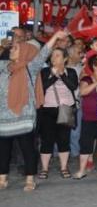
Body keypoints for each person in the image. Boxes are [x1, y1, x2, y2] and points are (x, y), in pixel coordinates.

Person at [0, 30, 66, 191]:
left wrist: (55, 37)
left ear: (23, 51)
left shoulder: (30, 68)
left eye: (15, 48)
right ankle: (2, 178)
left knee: (28, 150)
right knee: (3, 151)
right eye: (11, 48)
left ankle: (30, 179)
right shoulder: (2, 66)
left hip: (24, 118)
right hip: (3, 118)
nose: (11, 50)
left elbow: (43, 54)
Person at [36, 47, 79, 179]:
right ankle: (44, 168)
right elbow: (42, 87)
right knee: (47, 140)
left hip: (66, 108)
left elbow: (73, 86)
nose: (54, 58)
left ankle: (64, 167)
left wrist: (62, 74)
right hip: (48, 110)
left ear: (65, 59)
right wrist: (54, 76)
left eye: (58, 55)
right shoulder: (44, 71)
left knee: (63, 139)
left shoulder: (71, 71)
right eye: (53, 56)